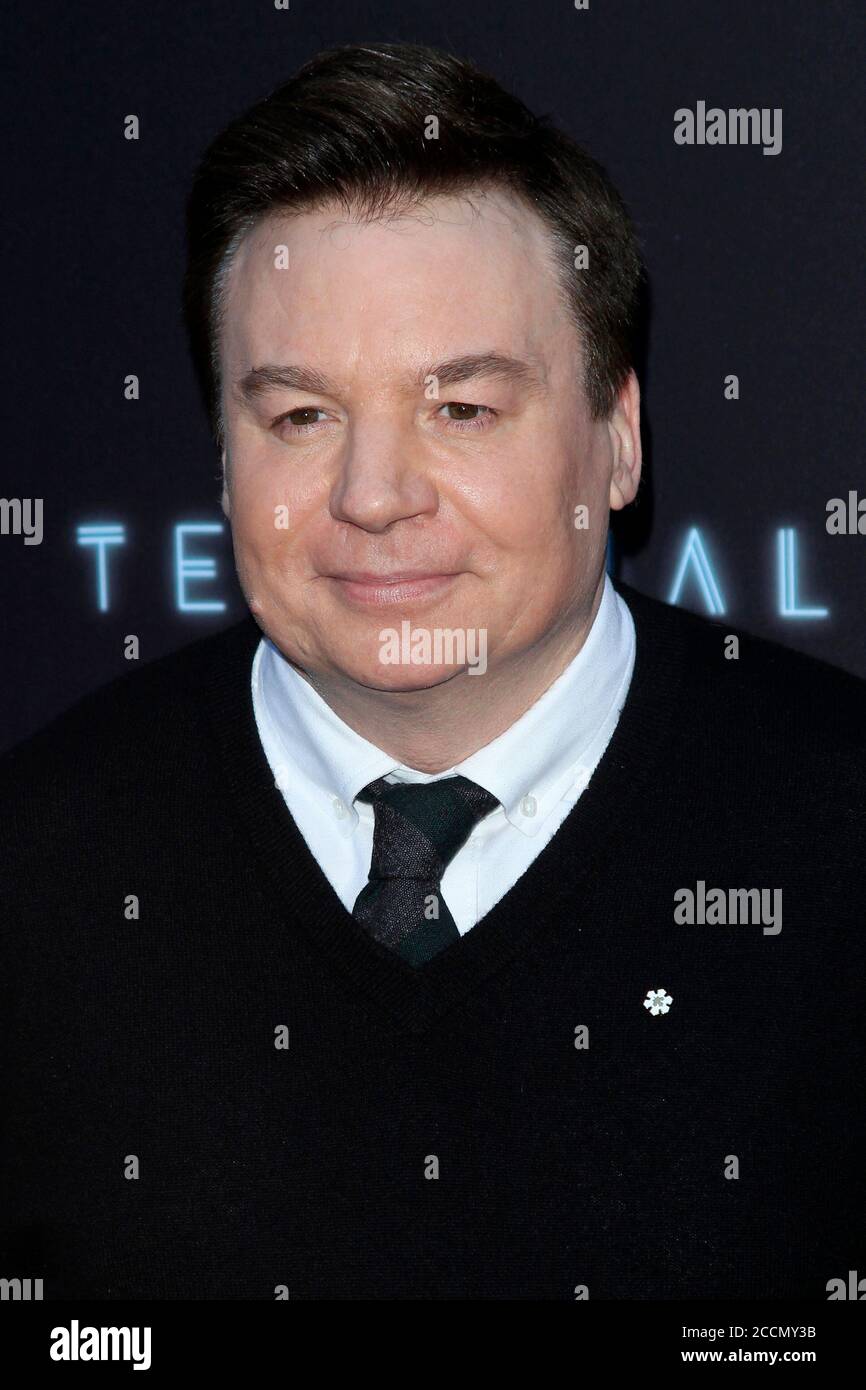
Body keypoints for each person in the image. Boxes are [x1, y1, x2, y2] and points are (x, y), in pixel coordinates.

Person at [1, 41, 863, 1301]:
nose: (371, 496)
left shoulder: (839, 835)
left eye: (460, 408)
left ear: (616, 438)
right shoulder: (36, 871)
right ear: (223, 456)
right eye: (301, 416)